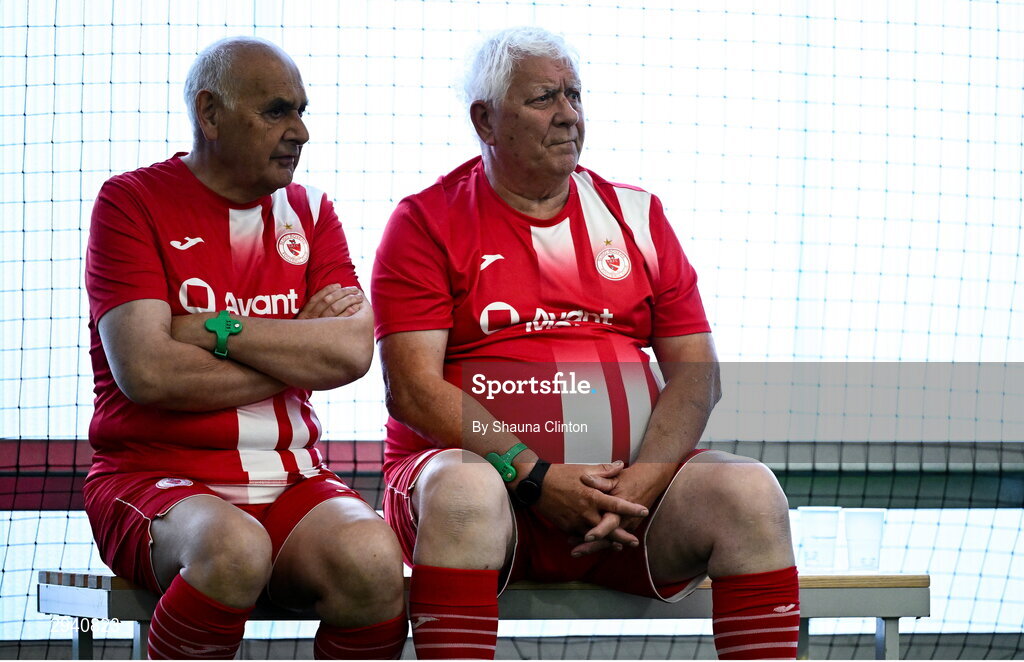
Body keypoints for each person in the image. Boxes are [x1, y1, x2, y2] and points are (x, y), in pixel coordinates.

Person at [372, 26, 798, 660]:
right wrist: (537, 477)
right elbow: (411, 389)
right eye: (545, 97)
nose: (569, 114)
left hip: (628, 505)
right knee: (464, 492)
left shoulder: (637, 216)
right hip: (489, 499)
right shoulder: (425, 221)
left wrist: (639, 486)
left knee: (751, 493)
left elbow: (697, 374)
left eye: (575, 94)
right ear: (486, 120)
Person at [84, 36, 407, 660]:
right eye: (277, 111)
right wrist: (295, 354)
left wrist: (214, 330)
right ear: (209, 112)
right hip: (150, 475)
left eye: (303, 111)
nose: (301, 132)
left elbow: (350, 355)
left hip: (293, 479)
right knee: (232, 551)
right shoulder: (131, 201)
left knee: (374, 562)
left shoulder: (311, 213)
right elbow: (147, 372)